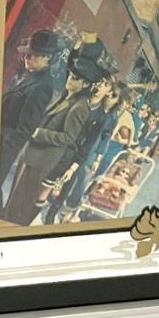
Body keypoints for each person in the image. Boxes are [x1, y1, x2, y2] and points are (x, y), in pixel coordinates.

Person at [2, 55, 104, 226]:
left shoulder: (80, 107)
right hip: (33, 154)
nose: (70, 79)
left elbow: (68, 138)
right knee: (13, 202)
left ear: (86, 84)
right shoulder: (67, 96)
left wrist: (38, 133)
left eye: (75, 78)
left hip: (42, 160)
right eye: (71, 75)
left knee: (20, 207)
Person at [41, 74, 119, 223]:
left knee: (66, 184)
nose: (100, 85)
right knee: (44, 183)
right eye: (100, 82)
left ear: (109, 91)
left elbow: (91, 142)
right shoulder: (80, 99)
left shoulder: (104, 117)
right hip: (56, 146)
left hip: (77, 153)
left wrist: (79, 164)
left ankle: (52, 212)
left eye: (105, 85)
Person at [0, 29, 63, 192]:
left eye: (33, 55)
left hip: (3, 148)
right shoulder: (28, 74)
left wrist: (2, 148)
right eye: (27, 53)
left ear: (47, 57)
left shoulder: (42, 86)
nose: (27, 57)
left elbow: (25, 129)